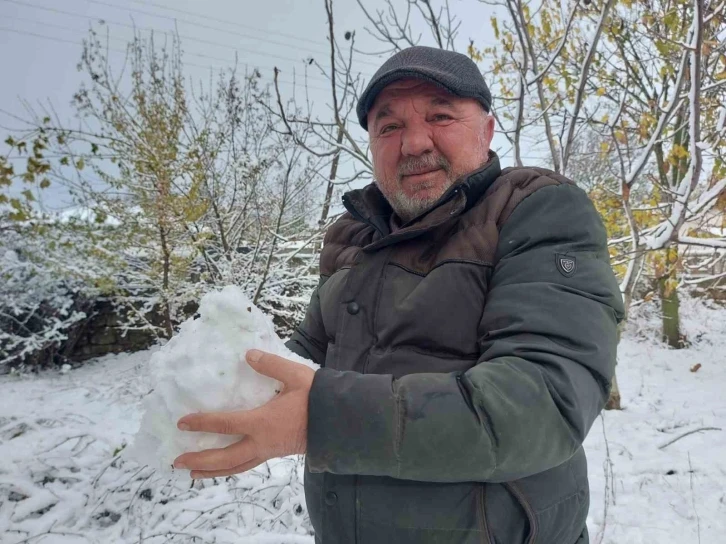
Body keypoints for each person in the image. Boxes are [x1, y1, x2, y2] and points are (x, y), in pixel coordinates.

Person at [173, 46, 625, 544]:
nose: (413, 143)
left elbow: (543, 401)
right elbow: (303, 357)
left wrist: (321, 420)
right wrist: (217, 384)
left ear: (488, 130)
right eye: (388, 127)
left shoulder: (534, 211)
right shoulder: (352, 238)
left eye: (440, 115)